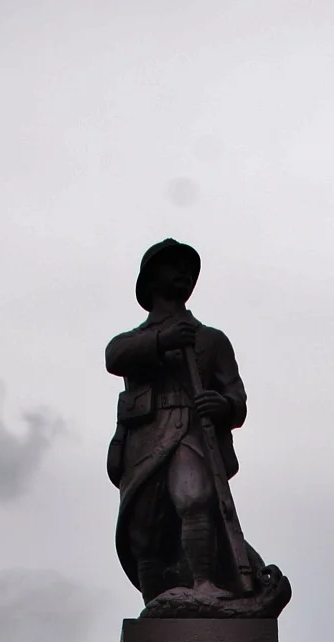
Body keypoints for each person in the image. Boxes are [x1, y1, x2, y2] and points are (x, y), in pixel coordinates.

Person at [105, 240, 247, 604]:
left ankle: (204, 584)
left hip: (192, 432)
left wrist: (222, 405)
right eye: (173, 266)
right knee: (144, 532)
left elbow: (238, 401)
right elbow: (114, 356)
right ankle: (155, 603)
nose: (184, 272)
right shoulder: (134, 340)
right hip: (147, 437)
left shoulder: (212, 340)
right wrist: (162, 339)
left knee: (195, 498)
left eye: (189, 267)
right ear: (152, 280)